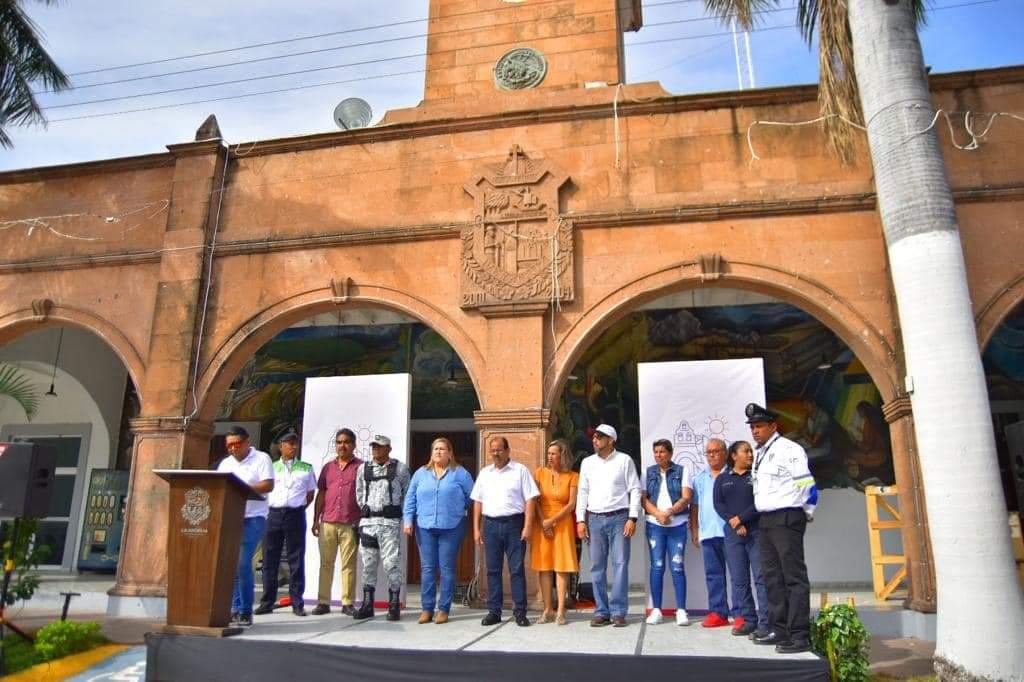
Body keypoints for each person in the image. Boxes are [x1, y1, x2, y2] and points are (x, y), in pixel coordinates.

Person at [746, 402, 818, 654]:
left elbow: (807, 485)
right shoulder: (760, 453)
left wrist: (805, 513)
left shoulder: (789, 449)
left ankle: (799, 635)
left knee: (793, 578)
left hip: (787, 516)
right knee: (772, 578)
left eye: (759, 426)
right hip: (766, 519)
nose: (755, 431)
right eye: (752, 427)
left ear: (773, 426)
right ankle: (780, 630)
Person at [575, 424, 642, 627]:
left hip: (619, 517)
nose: (595, 440)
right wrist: (580, 519)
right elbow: (582, 491)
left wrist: (632, 517)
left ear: (611, 440)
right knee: (596, 566)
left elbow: (635, 489)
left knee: (620, 564)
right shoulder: (587, 463)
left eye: (599, 437)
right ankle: (601, 611)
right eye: (594, 437)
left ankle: (618, 612)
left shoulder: (624, 460)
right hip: (594, 519)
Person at [403, 437, 474, 625]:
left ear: (450, 453)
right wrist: (408, 520)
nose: (439, 452)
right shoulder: (421, 473)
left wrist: (458, 509)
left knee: (446, 568)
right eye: (435, 449)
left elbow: (472, 496)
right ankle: (427, 609)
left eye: (442, 449)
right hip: (424, 526)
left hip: (451, 526)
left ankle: (443, 609)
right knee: (427, 568)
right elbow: (410, 498)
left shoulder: (460, 473)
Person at [472, 436, 539, 627]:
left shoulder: (520, 470)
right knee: (493, 570)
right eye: (493, 450)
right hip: (491, 525)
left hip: (514, 524)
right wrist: (476, 529)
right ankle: (494, 611)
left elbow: (530, 499)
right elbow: (478, 501)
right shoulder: (485, 473)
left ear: (508, 450)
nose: (496, 454)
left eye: (499, 450)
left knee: (516, 569)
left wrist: (528, 525)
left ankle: (520, 612)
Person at [216, 425, 274, 627]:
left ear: (247, 442)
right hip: (231, 518)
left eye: (237, 444)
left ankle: (246, 611)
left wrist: (242, 488)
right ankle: (234, 609)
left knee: (242, 562)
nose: (233, 448)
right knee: (230, 564)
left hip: (254, 518)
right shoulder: (225, 464)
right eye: (229, 445)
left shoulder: (262, 458)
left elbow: (268, 485)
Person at [254, 431, 316, 617]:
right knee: (269, 559)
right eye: (289, 443)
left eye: (295, 443)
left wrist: (297, 507)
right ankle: (267, 602)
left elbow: (310, 494)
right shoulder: (271, 467)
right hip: (273, 514)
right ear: (280, 446)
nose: (293, 447)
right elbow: (263, 491)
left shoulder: (306, 468)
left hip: (295, 514)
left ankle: (297, 602)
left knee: (296, 559)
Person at [352, 434, 411, 621]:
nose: (376, 449)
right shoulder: (363, 468)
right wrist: (367, 508)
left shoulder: (400, 469)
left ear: (389, 449)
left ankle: (394, 605)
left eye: (380, 446)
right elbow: (359, 493)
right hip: (368, 524)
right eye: (374, 446)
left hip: (389, 525)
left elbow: (408, 494)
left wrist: (399, 514)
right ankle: (367, 605)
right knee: (368, 565)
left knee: (391, 564)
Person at [713, 440, 769, 638]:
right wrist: (734, 522)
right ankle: (749, 620)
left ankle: (766, 622)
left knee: (761, 578)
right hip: (733, 534)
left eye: (751, 451)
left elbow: (761, 501)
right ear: (734, 456)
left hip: (756, 532)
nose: (750, 454)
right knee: (739, 579)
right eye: (746, 451)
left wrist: (742, 519)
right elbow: (718, 504)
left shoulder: (756, 476)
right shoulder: (722, 478)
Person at [641, 439, 693, 626]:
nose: (658, 455)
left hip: (677, 525)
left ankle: (681, 610)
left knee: (677, 566)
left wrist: (669, 512)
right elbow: (643, 499)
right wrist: (658, 514)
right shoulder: (647, 472)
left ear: (670, 453)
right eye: (656, 452)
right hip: (655, 525)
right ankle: (656, 610)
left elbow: (687, 497)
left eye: (662, 452)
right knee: (657, 566)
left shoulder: (682, 471)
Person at [311, 428, 363, 616]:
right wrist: (316, 520)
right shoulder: (328, 468)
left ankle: (347, 603)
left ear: (354, 445)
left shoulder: (361, 467)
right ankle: (323, 602)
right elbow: (321, 494)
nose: (342, 445)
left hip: (350, 522)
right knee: (326, 563)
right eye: (339, 442)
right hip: (328, 522)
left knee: (348, 564)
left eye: (346, 442)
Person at [531, 439, 579, 626]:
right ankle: (547, 609)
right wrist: (544, 521)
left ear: (562, 455)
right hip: (542, 522)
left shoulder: (573, 476)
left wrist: (552, 521)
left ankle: (560, 610)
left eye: (553, 453)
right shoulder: (540, 473)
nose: (549, 457)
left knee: (561, 566)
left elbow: (571, 504)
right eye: (548, 453)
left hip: (562, 523)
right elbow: (534, 499)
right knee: (544, 566)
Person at [690, 438, 732, 628]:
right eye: (709, 452)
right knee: (713, 575)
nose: (712, 455)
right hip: (708, 533)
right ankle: (718, 613)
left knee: (738, 576)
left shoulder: (733, 475)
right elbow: (695, 506)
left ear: (725, 453)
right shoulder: (699, 478)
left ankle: (741, 614)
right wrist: (694, 530)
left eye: (716, 451)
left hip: (730, 533)